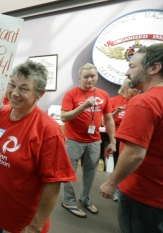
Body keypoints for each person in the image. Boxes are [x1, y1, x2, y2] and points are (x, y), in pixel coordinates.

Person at [0, 60, 76, 233]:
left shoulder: (48, 130)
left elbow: (53, 183)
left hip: (23, 220)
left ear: (39, 94)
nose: (14, 93)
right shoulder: (1, 113)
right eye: (12, 85)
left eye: (24, 88)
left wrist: (35, 225)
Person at [100, 43, 163, 233]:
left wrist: (111, 183)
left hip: (144, 195)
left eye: (133, 66)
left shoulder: (145, 101)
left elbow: (134, 154)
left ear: (154, 67)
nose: (127, 73)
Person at [61, 63, 116, 218]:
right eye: (86, 77)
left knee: (90, 173)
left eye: (93, 76)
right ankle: (68, 201)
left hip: (94, 140)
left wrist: (113, 141)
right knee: (69, 172)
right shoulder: (71, 94)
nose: (90, 79)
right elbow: (64, 117)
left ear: (97, 77)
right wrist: (83, 107)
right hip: (74, 140)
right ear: (80, 78)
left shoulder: (103, 95)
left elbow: (109, 119)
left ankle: (85, 199)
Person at [109, 77, 139, 201]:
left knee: (132, 164)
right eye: (135, 89)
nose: (137, 91)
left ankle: (127, 189)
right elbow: (105, 119)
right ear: (126, 88)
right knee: (119, 164)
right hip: (119, 137)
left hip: (133, 138)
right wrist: (115, 113)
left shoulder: (138, 101)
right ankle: (117, 188)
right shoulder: (114, 100)